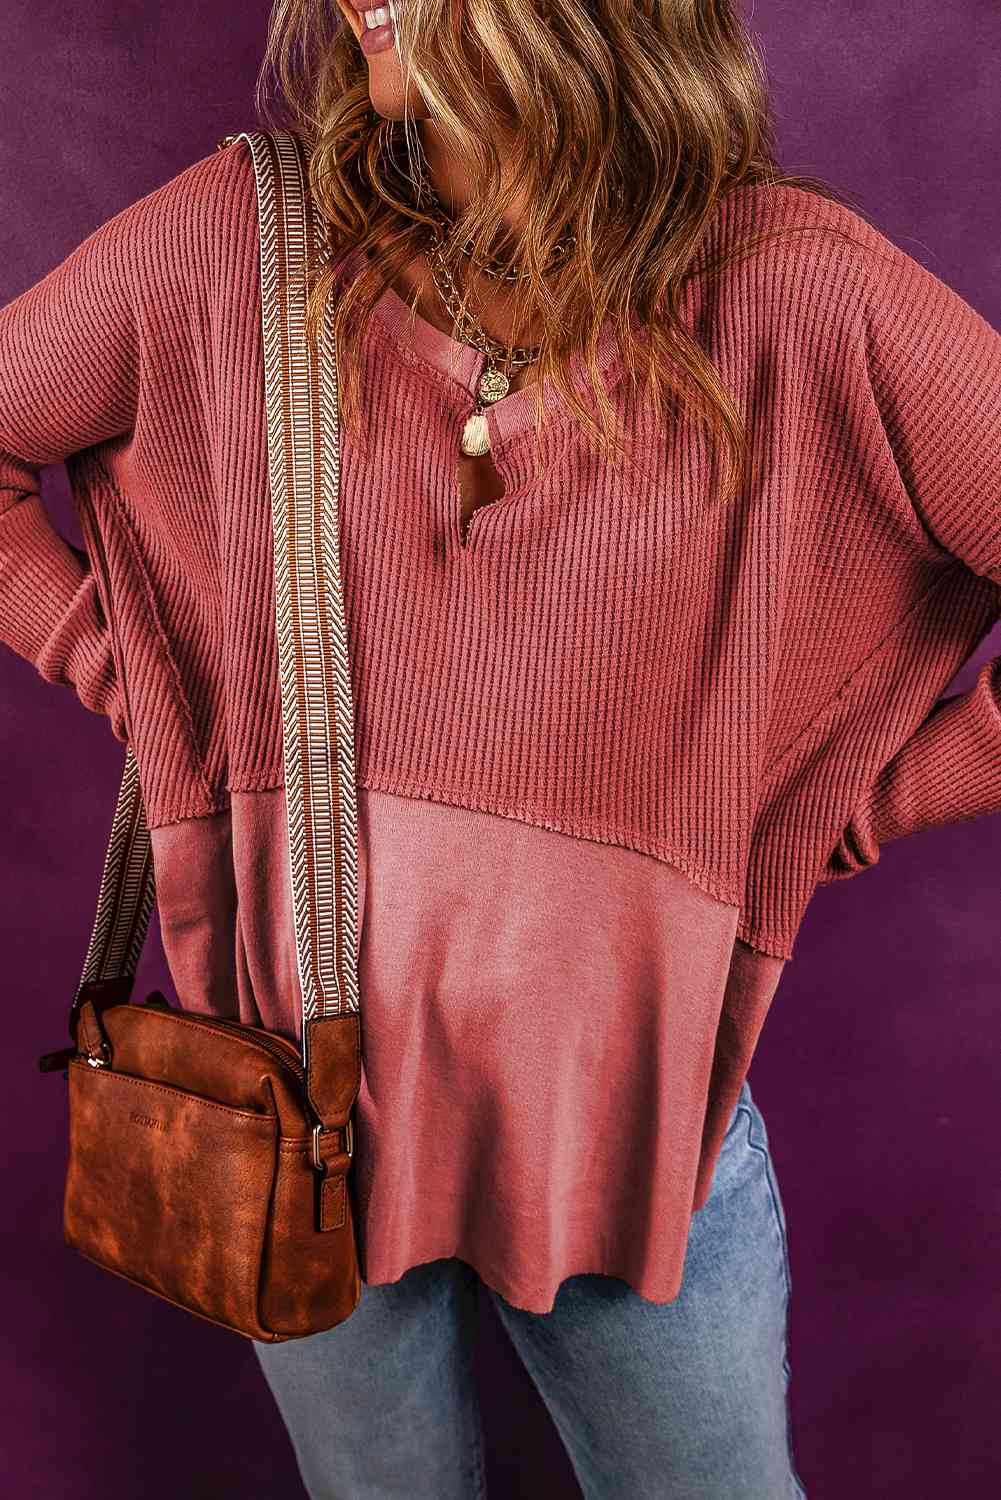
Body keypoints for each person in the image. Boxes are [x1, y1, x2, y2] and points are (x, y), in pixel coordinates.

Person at [2, 2, 999, 1496]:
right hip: (289, 1108)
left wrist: (858, 807)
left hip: (619, 1131)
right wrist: (127, 670)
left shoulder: (799, 291)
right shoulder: (239, 243)